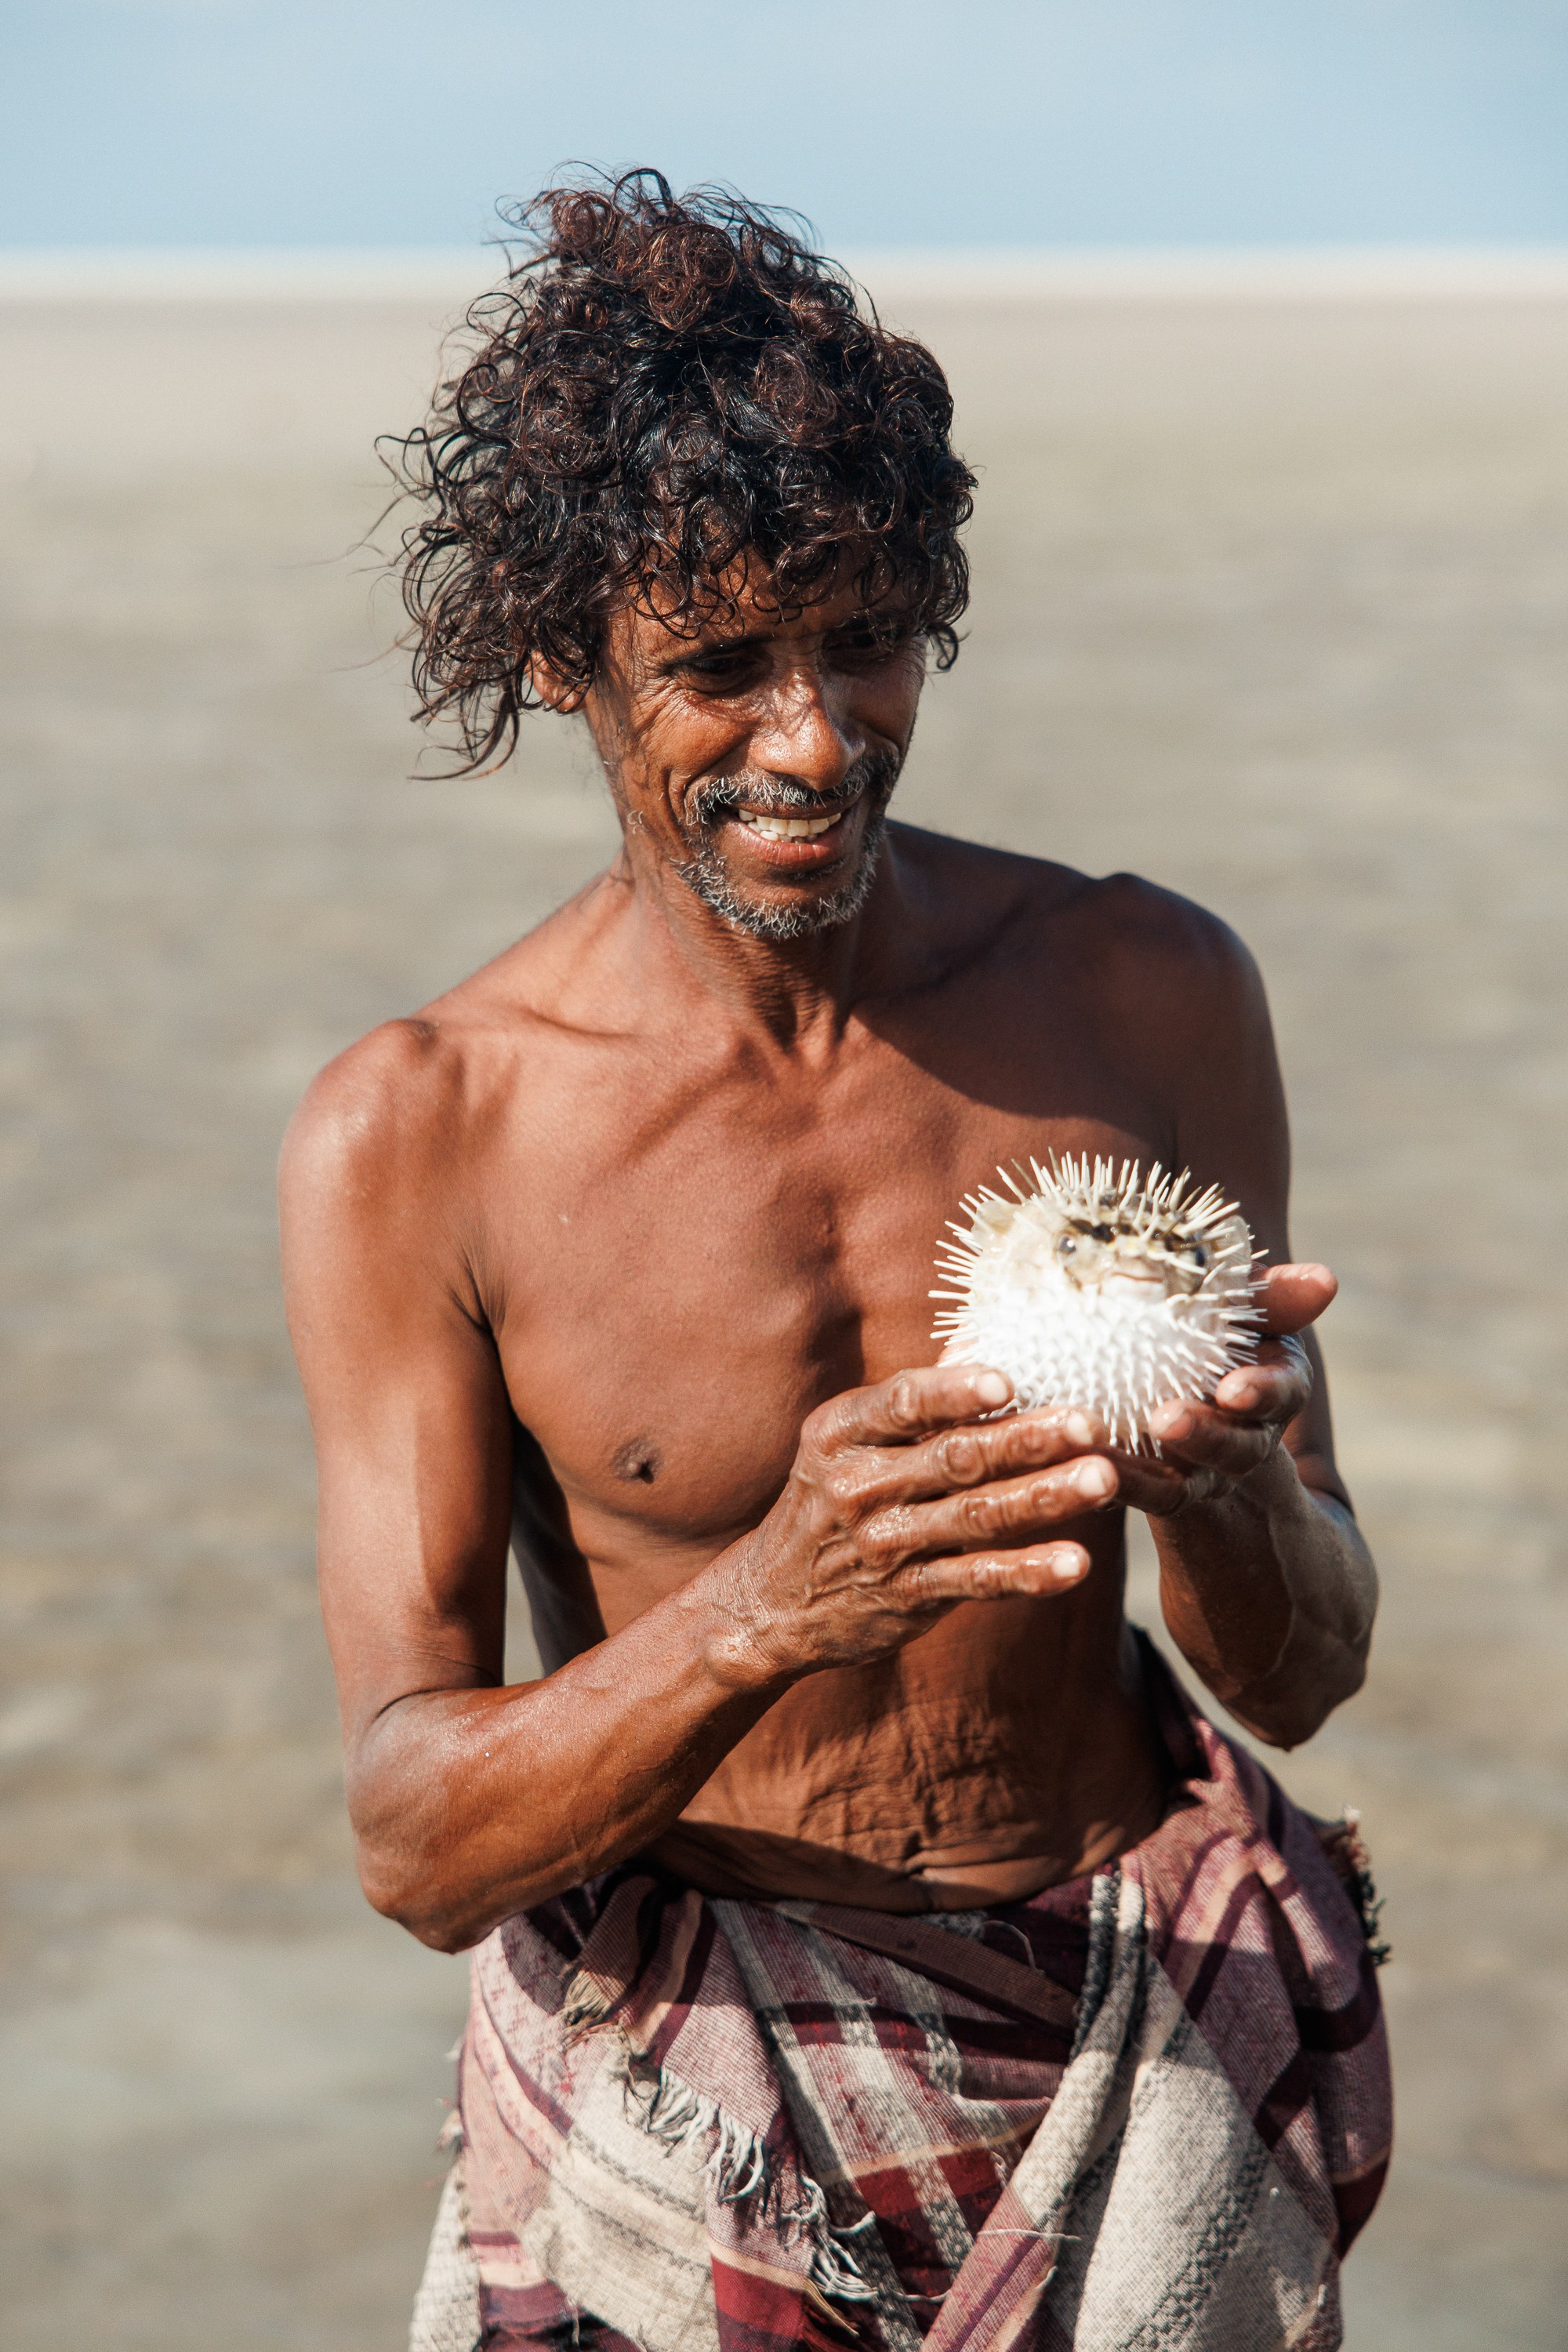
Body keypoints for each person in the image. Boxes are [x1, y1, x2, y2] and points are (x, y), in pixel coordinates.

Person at [281, 172, 1391, 2352]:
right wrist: (762, 1608)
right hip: (684, 2101)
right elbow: (417, 1852)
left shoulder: (1146, 991)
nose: (813, 740)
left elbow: (1305, 1675)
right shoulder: (422, 1131)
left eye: (868, 639)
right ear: (560, 657)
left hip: (1131, 2023)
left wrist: (1236, 1490)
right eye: (717, 667)